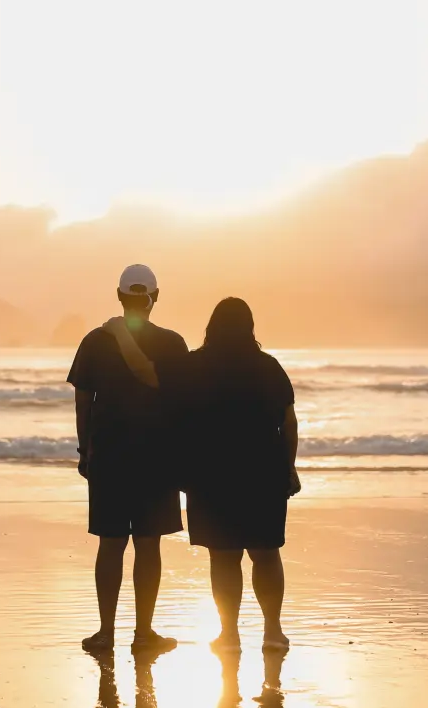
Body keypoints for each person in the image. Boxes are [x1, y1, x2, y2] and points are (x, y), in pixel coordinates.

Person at [68, 263, 189, 654]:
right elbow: (182, 405)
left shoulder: (94, 340)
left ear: (119, 297)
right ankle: (143, 634)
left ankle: (105, 634)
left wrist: (85, 449)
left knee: (111, 543)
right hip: (158, 458)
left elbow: (83, 400)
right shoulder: (173, 343)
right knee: (148, 544)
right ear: (155, 298)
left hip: (109, 455)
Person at [182, 297, 300, 653]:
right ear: (249, 327)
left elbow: (178, 423)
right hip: (262, 472)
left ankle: (229, 635)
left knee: (223, 556)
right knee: (265, 553)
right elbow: (288, 422)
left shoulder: (193, 366)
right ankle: (273, 632)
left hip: (209, 474)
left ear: (211, 327)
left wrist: (178, 469)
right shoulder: (268, 367)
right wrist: (289, 466)